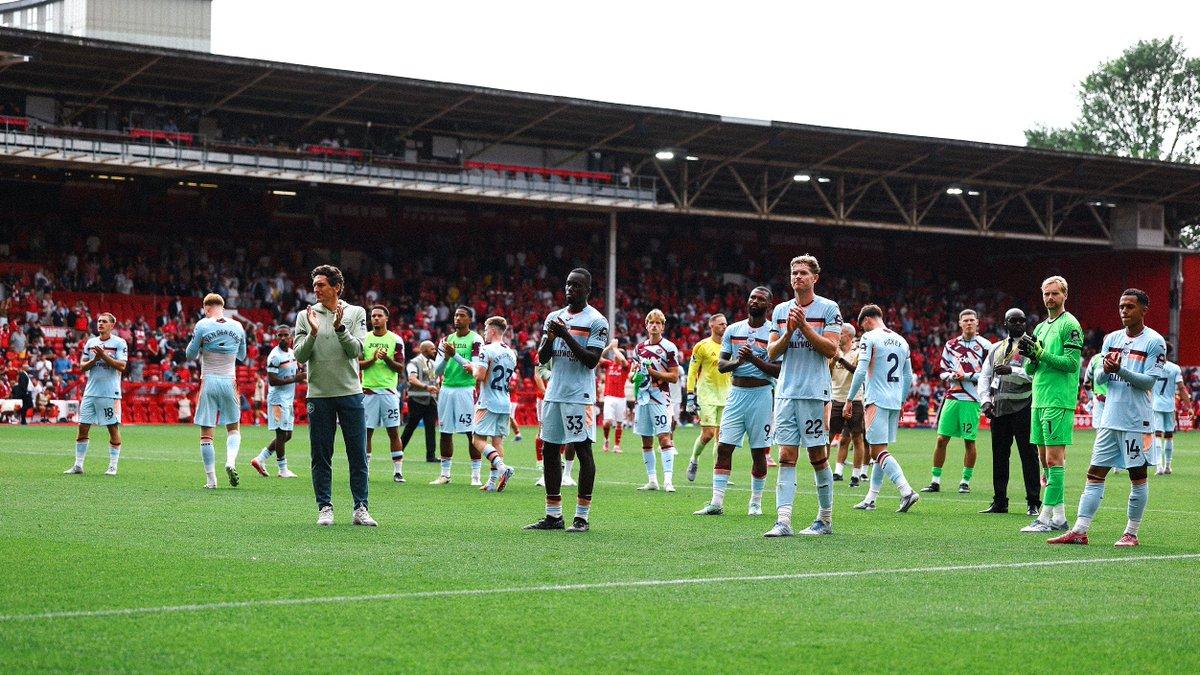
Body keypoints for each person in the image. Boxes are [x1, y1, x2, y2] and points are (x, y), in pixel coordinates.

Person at [1048, 289, 1164, 547]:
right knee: (1094, 473)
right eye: (1121, 306)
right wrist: (1106, 369)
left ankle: (1131, 533)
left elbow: (1149, 381)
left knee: (1137, 476)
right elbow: (1099, 378)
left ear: (1144, 310)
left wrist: (1120, 369)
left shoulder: (1155, 342)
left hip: (1137, 420)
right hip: (1110, 418)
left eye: (1130, 307)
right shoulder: (1111, 339)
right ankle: (1080, 530)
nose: (1124, 311)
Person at [763, 255, 842, 538]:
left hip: (813, 392)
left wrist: (805, 327)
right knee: (786, 455)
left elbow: (832, 350)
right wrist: (789, 333)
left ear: (814, 278)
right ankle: (783, 520)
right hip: (786, 391)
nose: (797, 277)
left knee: (817, 455)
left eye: (803, 273)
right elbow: (771, 352)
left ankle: (825, 518)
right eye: (794, 272)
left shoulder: (829, 308)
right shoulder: (781, 311)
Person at [525, 268, 608, 533]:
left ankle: (581, 517)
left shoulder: (597, 321)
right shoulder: (554, 317)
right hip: (554, 393)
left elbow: (591, 360)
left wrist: (565, 335)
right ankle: (553, 515)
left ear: (588, 290)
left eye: (576, 285)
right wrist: (551, 336)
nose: (570, 289)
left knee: (583, 451)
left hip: (579, 396)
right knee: (550, 450)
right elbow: (542, 357)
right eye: (568, 284)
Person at [294, 265, 375, 527]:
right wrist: (314, 333)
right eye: (314, 284)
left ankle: (360, 508)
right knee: (320, 454)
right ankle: (325, 508)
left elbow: (357, 352)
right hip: (318, 394)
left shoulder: (355, 313)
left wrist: (340, 328)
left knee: (358, 453)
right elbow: (300, 356)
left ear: (336, 287)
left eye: (321, 285)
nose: (315, 289)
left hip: (350, 392)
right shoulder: (305, 316)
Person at [693, 286, 780, 517]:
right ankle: (716, 502)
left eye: (761, 299)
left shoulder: (774, 332)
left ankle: (755, 502)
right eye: (752, 297)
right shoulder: (733, 329)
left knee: (759, 451)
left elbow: (778, 370)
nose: (755, 301)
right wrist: (739, 362)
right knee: (724, 447)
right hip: (736, 393)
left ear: (769, 305)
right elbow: (722, 365)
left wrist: (753, 359)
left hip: (761, 394)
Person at [1020, 276, 1083, 534]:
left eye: (1055, 293)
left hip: (1058, 399)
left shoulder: (1070, 325)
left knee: (1054, 460)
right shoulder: (1040, 327)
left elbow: (1072, 364)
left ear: (1065, 295)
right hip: (1040, 398)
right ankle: (1059, 517)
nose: (1050, 298)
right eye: (1046, 293)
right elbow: (1031, 368)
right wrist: (1030, 357)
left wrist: (1041, 354)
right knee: (1043, 460)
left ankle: (1044, 518)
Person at [846, 304, 920, 514]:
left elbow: (861, 370)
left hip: (876, 399)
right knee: (880, 451)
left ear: (867, 320)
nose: (864, 330)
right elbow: (908, 376)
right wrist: (902, 400)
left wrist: (850, 399)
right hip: (894, 400)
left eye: (863, 326)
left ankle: (906, 491)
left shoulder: (870, 338)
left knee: (878, 451)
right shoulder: (902, 341)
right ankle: (871, 498)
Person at [923, 309, 992, 494]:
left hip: (971, 399)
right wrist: (952, 375)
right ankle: (935, 481)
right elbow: (943, 370)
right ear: (960, 323)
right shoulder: (951, 345)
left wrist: (967, 375)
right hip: (952, 396)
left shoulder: (986, 346)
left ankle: (965, 481)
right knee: (941, 439)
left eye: (972, 320)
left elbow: (989, 374)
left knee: (969, 441)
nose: (969, 323)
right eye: (965, 320)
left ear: (978, 323)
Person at [978, 309, 1039, 515]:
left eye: (1022, 320)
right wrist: (985, 400)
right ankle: (1000, 501)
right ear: (1005, 323)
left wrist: (1013, 370)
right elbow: (984, 376)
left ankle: (1033, 502)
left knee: (1028, 456)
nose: (1019, 324)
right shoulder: (996, 348)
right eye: (1014, 320)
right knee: (1000, 457)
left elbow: (1036, 377)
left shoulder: (1032, 346)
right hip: (999, 409)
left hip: (1024, 407)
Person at [186, 294, 247, 489]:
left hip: (209, 380)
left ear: (206, 307)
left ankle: (211, 480)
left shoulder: (203, 324)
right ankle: (230, 461)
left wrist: (203, 344)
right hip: (229, 380)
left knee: (206, 434)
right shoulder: (237, 326)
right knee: (233, 427)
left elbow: (189, 354)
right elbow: (243, 356)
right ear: (223, 306)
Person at [63, 312, 127, 476]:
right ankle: (78, 465)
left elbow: (121, 366)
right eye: (99, 321)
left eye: (104, 322)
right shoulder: (91, 342)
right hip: (90, 392)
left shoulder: (119, 342)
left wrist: (103, 356)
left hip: (109, 393)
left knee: (112, 427)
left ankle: (113, 466)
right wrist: (95, 359)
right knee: (83, 426)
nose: (100, 324)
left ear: (112, 325)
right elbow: (82, 367)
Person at [430, 307, 483, 486]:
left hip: (466, 389)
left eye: (462, 316)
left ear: (470, 319)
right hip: (446, 389)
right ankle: (445, 474)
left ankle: (475, 476)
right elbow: (436, 371)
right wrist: (446, 358)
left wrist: (455, 355)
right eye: (456, 315)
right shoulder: (445, 340)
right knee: (445, 432)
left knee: (471, 432)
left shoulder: (476, 339)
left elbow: (474, 368)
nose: (457, 318)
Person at [631, 309, 681, 492]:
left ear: (663, 326)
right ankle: (652, 480)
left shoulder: (669, 347)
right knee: (646, 440)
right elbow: (632, 371)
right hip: (642, 398)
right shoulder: (639, 348)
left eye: (658, 323)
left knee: (664, 438)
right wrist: (634, 375)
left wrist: (652, 372)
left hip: (660, 397)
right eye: (651, 322)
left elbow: (674, 377)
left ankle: (668, 480)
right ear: (646, 325)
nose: (654, 325)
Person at [470, 315, 517, 492]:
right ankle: (491, 483)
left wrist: (473, 369)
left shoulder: (486, 349)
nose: (484, 333)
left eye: (485, 329)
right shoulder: (512, 353)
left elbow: (480, 376)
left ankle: (502, 467)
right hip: (504, 401)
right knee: (497, 441)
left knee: (477, 439)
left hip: (488, 401)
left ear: (493, 330)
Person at [360, 305, 406, 482]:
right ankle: (366, 470)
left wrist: (386, 358)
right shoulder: (364, 339)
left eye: (379, 316)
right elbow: (357, 364)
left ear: (387, 318)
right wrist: (373, 359)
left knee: (393, 432)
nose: (376, 318)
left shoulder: (396, 339)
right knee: (366, 432)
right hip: (368, 391)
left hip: (388, 392)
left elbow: (400, 368)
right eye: (373, 316)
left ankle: (398, 471)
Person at [250, 325, 302, 478]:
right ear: (276, 337)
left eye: (286, 335)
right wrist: (295, 379)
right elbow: (272, 381)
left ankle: (260, 459)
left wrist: (300, 373)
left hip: (288, 400)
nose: (283, 338)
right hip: (277, 400)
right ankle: (282, 469)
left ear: (291, 337)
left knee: (288, 435)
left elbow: (295, 371)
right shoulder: (274, 356)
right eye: (280, 335)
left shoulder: (292, 354)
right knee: (281, 434)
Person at [685, 314, 731, 481]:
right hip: (706, 395)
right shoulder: (702, 346)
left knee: (722, 437)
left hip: (726, 396)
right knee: (708, 434)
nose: (724, 326)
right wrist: (690, 395)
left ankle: (718, 472)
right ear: (712, 326)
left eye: (726, 323)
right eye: (721, 324)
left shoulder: (730, 346)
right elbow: (691, 371)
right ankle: (694, 459)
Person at [828, 323, 866, 486]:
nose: (838, 336)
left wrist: (840, 360)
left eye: (841, 333)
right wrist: (831, 361)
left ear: (849, 336)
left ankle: (856, 475)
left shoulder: (857, 352)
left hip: (855, 399)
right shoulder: (833, 353)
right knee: (829, 437)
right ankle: (831, 472)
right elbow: (828, 374)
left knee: (857, 438)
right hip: (836, 398)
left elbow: (857, 372)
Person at [1152, 344, 1191, 475]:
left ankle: (1159, 466)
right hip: (1169, 405)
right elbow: (1181, 388)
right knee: (1169, 435)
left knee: (1157, 434)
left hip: (1155, 404)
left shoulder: (1152, 366)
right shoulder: (1175, 368)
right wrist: (1189, 406)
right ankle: (1168, 465)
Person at [402, 340, 439, 464]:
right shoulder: (414, 363)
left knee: (431, 428)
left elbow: (435, 380)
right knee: (410, 426)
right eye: (432, 349)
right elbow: (412, 379)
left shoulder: (433, 364)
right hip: (416, 399)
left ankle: (431, 456)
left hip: (430, 400)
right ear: (424, 350)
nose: (434, 351)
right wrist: (426, 387)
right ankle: (398, 450)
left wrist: (437, 388)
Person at [599, 339, 629, 453]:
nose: (615, 355)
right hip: (609, 397)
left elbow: (624, 362)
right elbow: (598, 357)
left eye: (618, 354)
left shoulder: (626, 367)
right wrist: (609, 347)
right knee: (607, 422)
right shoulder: (609, 364)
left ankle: (617, 445)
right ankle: (606, 439)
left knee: (619, 422)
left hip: (621, 398)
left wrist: (616, 348)